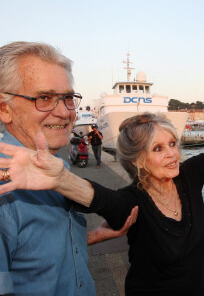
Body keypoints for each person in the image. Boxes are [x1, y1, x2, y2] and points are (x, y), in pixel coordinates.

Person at [0, 63, 204, 295]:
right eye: (158, 149)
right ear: (139, 161)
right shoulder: (132, 200)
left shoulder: (189, 177)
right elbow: (98, 198)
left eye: (173, 144)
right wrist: (61, 179)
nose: (172, 155)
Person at [0, 41, 137, 295]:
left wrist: (95, 235)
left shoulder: (54, 167)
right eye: (44, 98)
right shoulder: (6, 186)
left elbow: (34, 251)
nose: (64, 112)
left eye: (67, 98)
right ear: (4, 109)